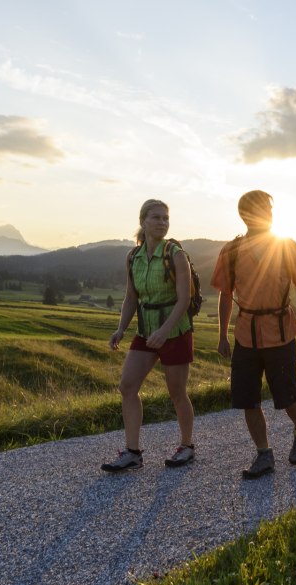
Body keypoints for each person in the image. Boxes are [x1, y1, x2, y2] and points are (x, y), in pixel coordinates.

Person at [211, 190, 296, 478]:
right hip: (246, 334)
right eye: (257, 210)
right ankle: (264, 454)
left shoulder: (287, 247)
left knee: (286, 397)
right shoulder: (231, 251)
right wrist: (222, 335)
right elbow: (225, 295)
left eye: (267, 210)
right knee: (248, 399)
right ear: (244, 215)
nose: (264, 214)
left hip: (280, 333)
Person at [101, 198, 196, 472]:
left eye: (166, 218)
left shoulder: (175, 254)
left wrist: (165, 332)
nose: (162, 223)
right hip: (146, 330)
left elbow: (184, 301)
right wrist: (121, 329)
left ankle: (187, 446)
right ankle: (132, 452)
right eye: (156, 218)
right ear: (143, 221)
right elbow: (131, 298)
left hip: (175, 330)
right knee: (127, 386)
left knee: (177, 392)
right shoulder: (133, 257)